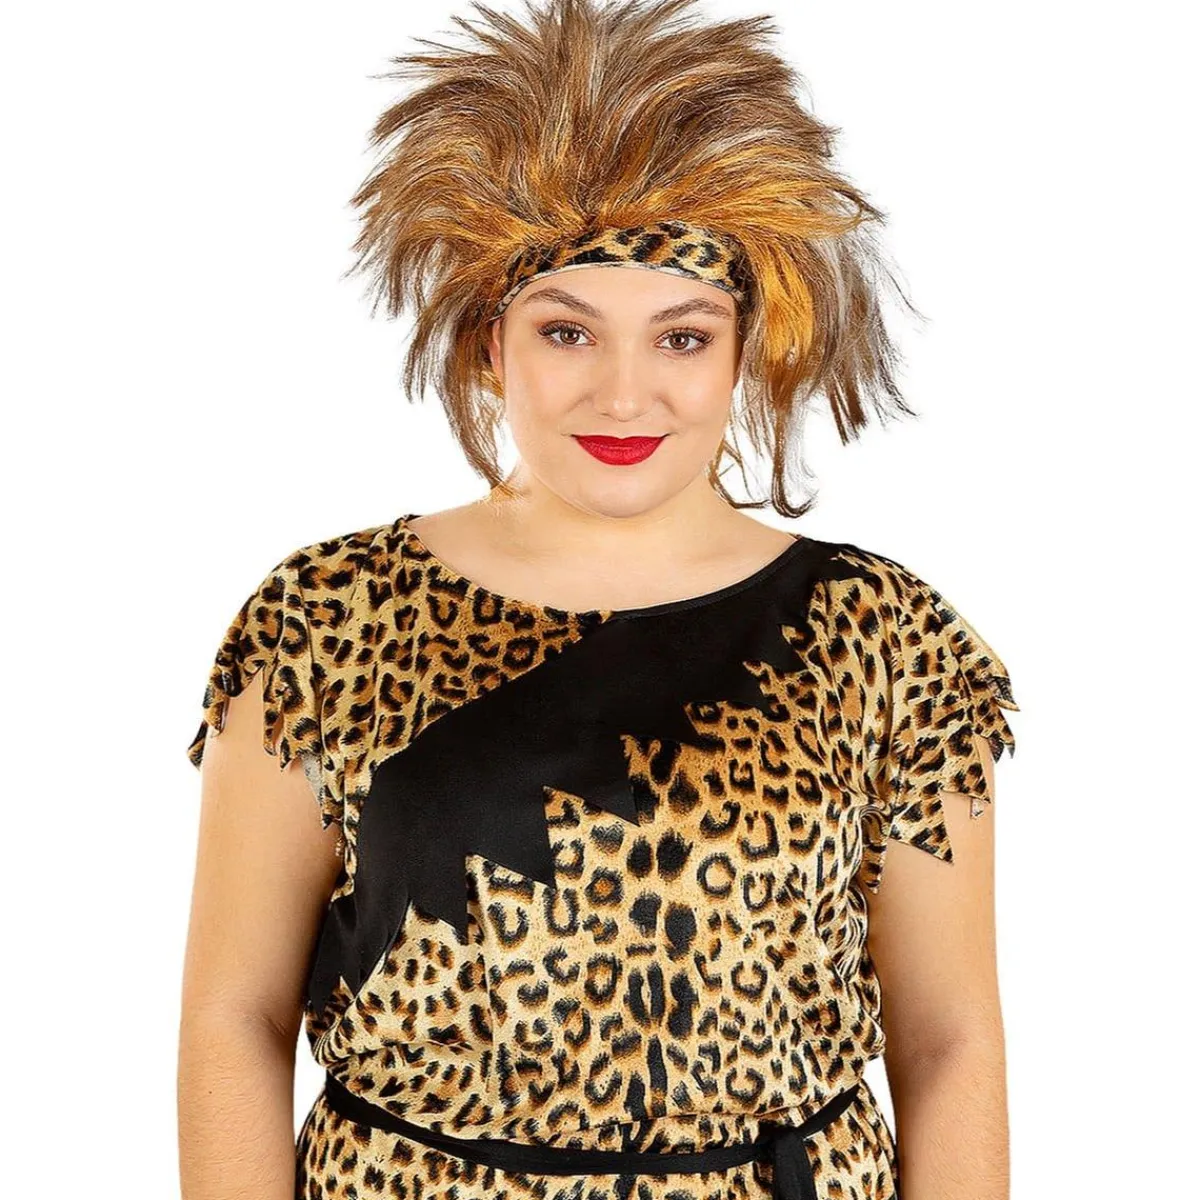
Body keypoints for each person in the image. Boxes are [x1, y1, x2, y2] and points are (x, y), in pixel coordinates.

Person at [178, 1, 1020, 1197]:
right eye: (568, 332)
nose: (624, 395)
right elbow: (234, 1015)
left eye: (681, 339)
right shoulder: (327, 616)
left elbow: (949, 1044)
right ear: (490, 343)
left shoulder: (884, 639)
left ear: (747, 349)